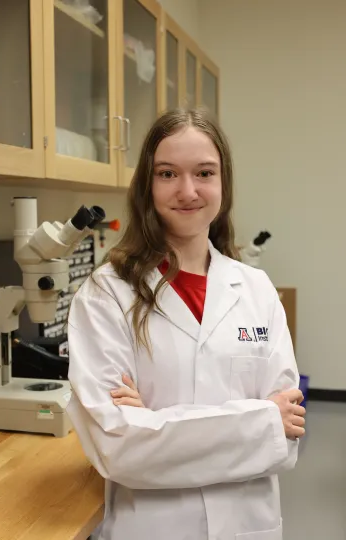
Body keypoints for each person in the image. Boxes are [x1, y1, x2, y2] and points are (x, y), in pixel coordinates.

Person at [67, 108, 306, 540]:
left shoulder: (256, 289)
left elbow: (286, 438)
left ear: (223, 183)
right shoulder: (106, 294)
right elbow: (119, 448)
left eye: (204, 173)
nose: (188, 190)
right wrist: (260, 419)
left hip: (247, 526)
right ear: (147, 183)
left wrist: (156, 422)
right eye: (167, 173)